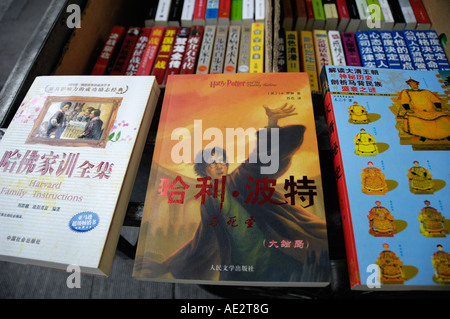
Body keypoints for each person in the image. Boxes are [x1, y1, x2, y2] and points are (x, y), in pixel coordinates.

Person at [135, 104, 330, 282]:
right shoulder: (209, 199)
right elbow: (202, 241)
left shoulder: (240, 179)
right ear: (204, 171)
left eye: (222, 161)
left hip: (280, 254)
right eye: (212, 163)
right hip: (243, 266)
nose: (219, 165)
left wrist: (271, 124)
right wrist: (165, 266)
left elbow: (259, 160)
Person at [397, 78, 450, 142]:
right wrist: (408, 109)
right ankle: (423, 136)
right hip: (418, 111)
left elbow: (435, 99)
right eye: (411, 84)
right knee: (413, 118)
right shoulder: (407, 92)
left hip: (431, 111)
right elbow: (404, 101)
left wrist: (438, 107)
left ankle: (447, 134)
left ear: (417, 84)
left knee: (444, 117)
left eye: (414, 84)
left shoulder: (426, 92)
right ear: (409, 85)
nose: (413, 85)